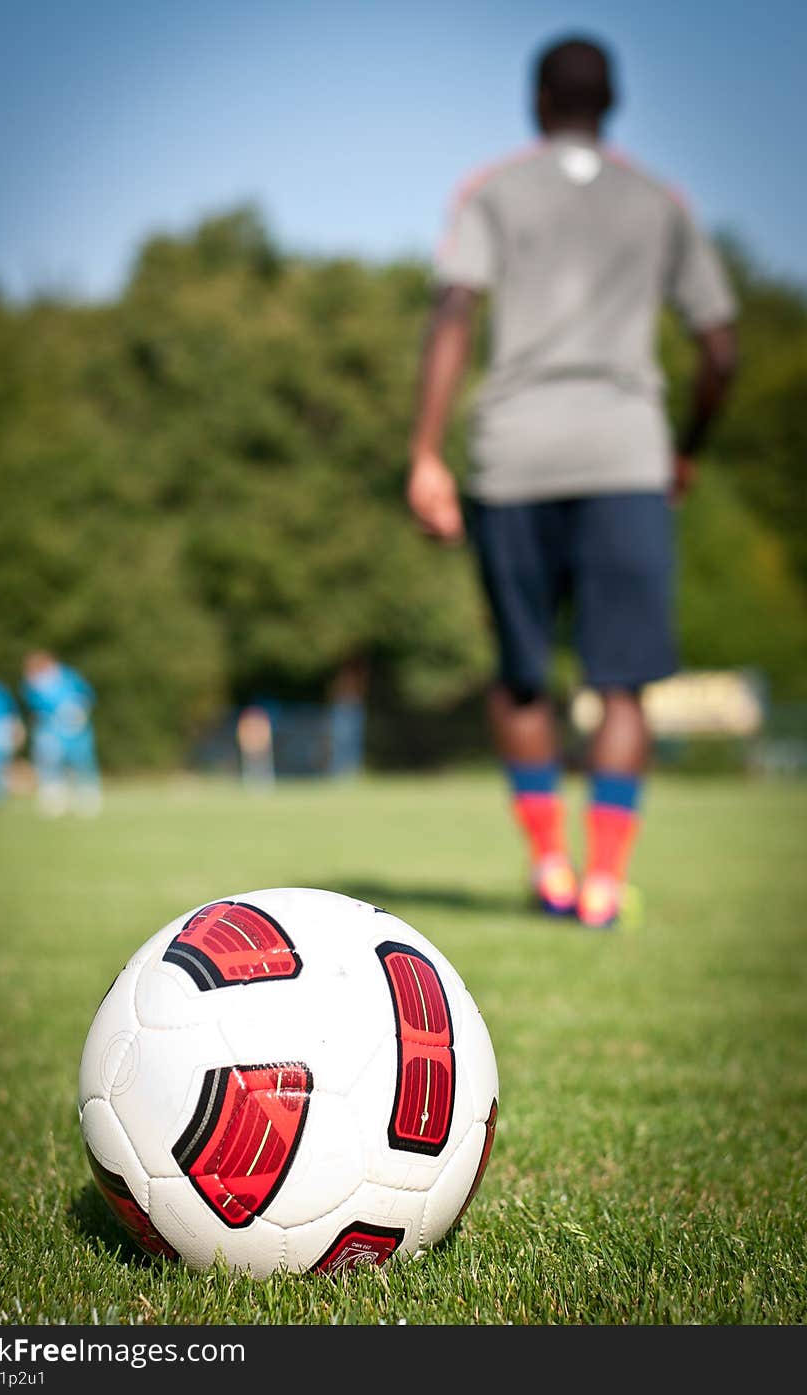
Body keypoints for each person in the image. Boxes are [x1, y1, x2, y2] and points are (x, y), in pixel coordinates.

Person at [406, 35, 738, 927]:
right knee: (622, 682)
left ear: (538, 102)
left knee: (522, 675)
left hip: (513, 458)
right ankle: (604, 882)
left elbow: (452, 313)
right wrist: (687, 445)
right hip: (629, 455)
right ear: (613, 102)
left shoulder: (493, 191)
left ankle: (551, 866)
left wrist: (425, 451)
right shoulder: (662, 203)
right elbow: (720, 349)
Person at [20, 650, 102, 816]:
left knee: (82, 763)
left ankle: (88, 799)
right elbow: (32, 706)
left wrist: (79, 708)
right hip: (48, 729)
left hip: (76, 728)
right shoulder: (32, 683)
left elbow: (87, 694)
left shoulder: (69, 677)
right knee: (49, 765)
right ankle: (54, 801)